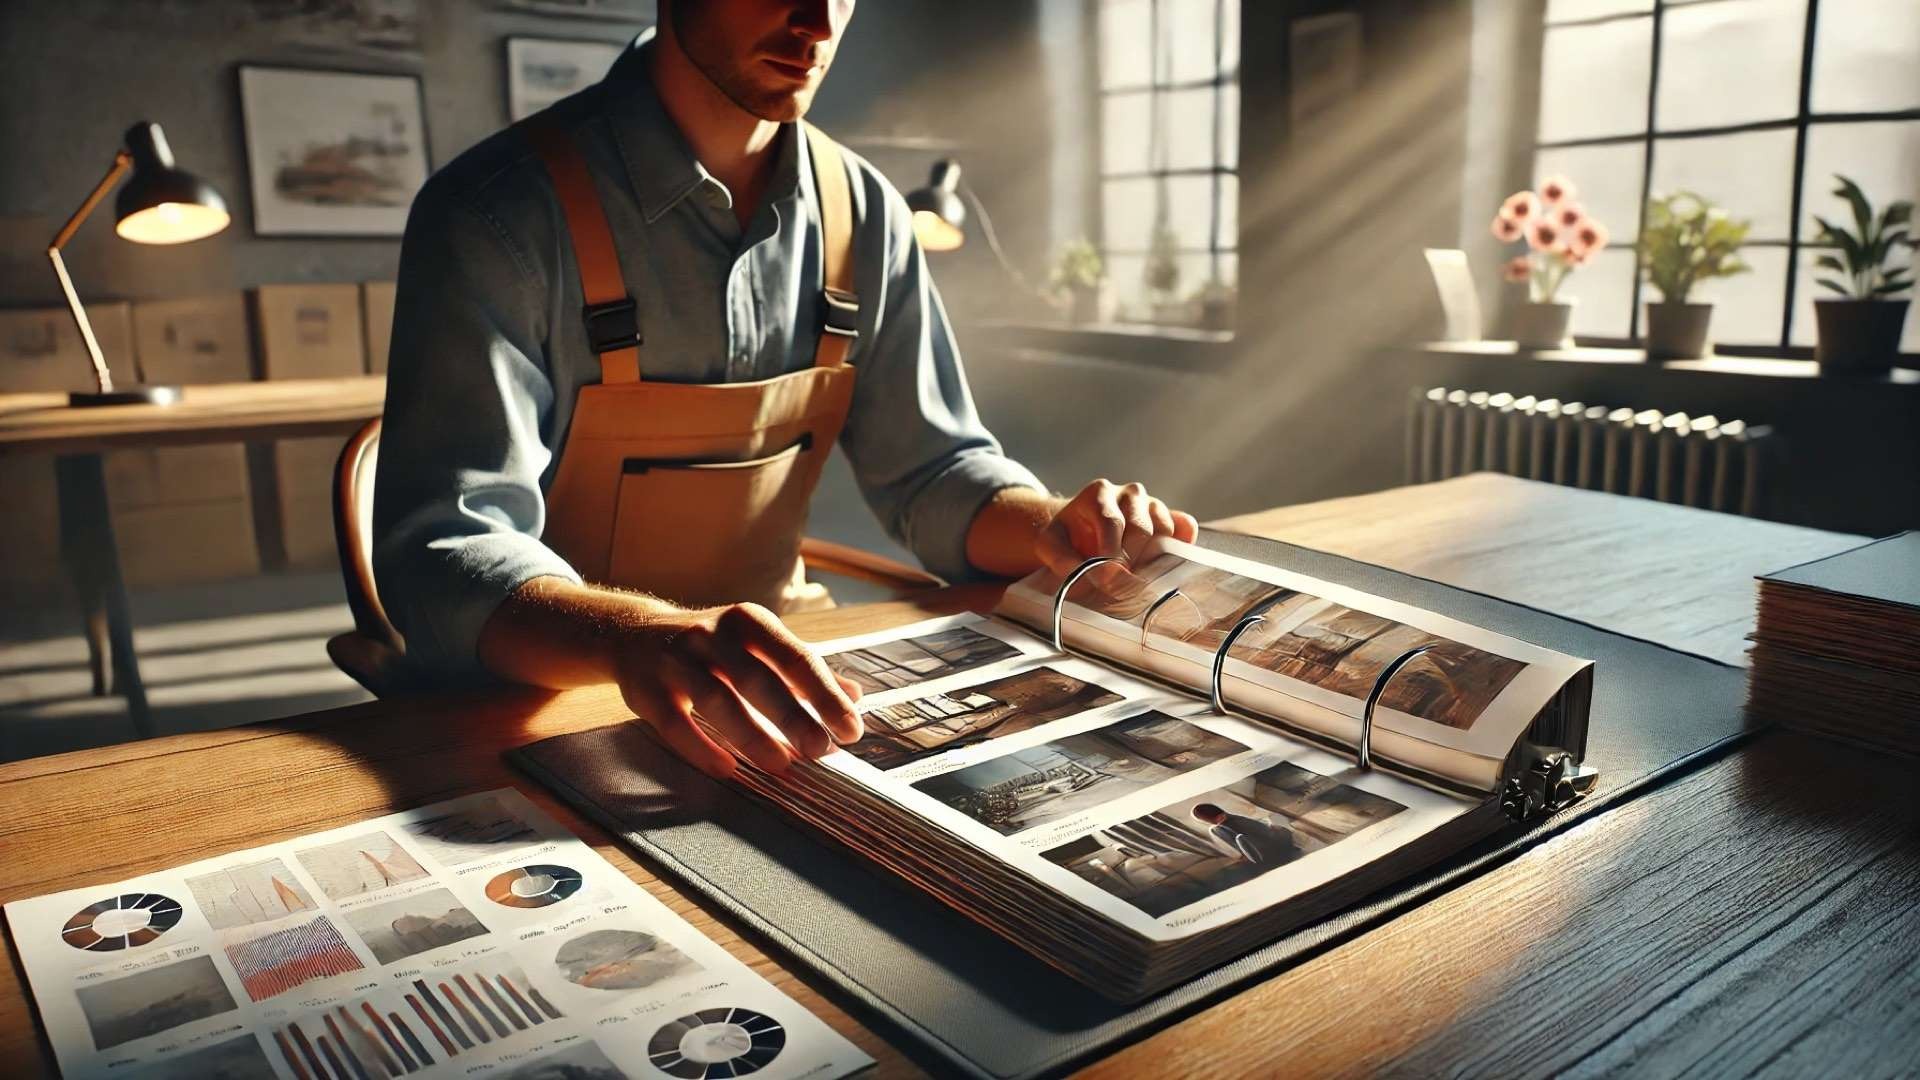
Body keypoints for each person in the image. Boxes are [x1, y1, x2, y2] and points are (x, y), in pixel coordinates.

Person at [374, 0, 1197, 779]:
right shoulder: (496, 215)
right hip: (545, 703)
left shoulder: (864, 215)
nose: (818, 23)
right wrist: (639, 638)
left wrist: (1055, 527)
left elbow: (933, 471)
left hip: (780, 687)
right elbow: (446, 553)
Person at [1191, 803, 1300, 866]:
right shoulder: (1223, 826)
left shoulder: (1218, 828)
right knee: (1276, 823)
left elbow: (1259, 829)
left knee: (1273, 823)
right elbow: (1260, 828)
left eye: (1206, 820)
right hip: (1271, 849)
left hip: (1266, 854)